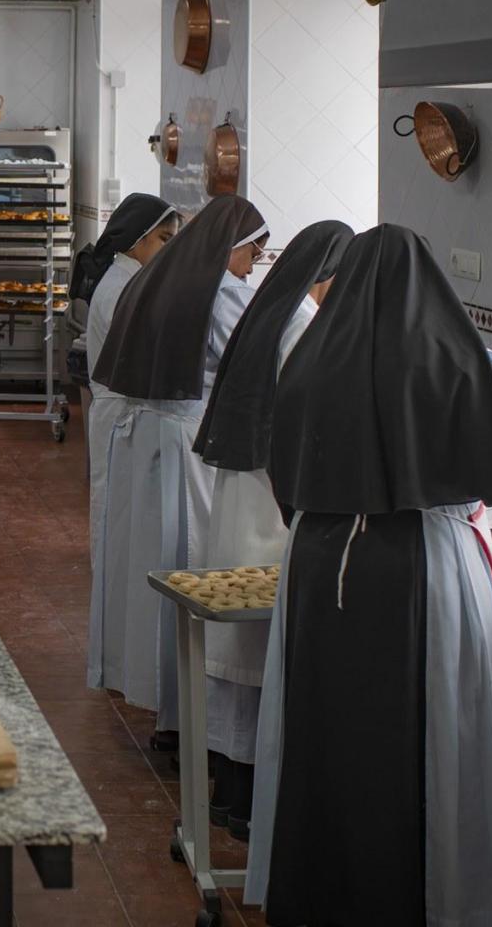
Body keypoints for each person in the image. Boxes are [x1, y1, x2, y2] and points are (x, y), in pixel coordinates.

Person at [246, 225, 492, 926]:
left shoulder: (308, 358)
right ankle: (432, 897)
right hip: (423, 563)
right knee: (430, 732)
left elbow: (287, 476)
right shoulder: (456, 358)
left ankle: (326, 896)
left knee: (328, 732)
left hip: (322, 561)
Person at [190, 220, 353, 839]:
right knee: (261, 662)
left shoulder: (270, 313)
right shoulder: (303, 328)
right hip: (270, 506)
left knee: (241, 666)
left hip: (242, 495)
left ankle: (232, 795)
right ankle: (253, 805)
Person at [87, 194, 268, 748]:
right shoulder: (224, 292)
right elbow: (252, 362)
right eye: (252, 255)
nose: (251, 267)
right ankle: (187, 715)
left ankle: (165, 704)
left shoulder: (159, 276)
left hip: (149, 439)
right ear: (232, 248)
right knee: (190, 568)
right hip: (190, 442)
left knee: (153, 564)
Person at [74, 193, 180, 551]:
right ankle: (109, 589)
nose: (168, 250)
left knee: (120, 505)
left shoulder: (128, 278)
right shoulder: (122, 286)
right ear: (137, 239)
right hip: (119, 411)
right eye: (164, 240)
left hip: (121, 410)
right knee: (112, 508)